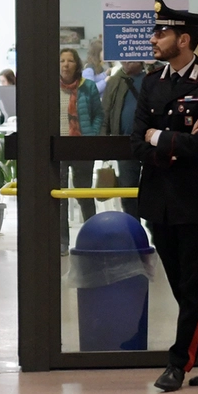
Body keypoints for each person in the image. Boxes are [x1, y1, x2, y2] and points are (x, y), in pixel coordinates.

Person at [131, 0, 198, 392]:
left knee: (192, 286)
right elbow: (135, 142)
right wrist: (173, 143)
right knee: (179, 285)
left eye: (162, 33)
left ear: (184, 39)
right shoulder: (151, 82)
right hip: (159, 198)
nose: (154, 38)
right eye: (155, 31)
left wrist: (158, 137)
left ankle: (180, 363)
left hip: (195, 200)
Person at [59, 48, 105, 255]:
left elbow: (98, 115)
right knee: (59, 196)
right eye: (62, 61)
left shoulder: (88, 87)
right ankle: (61, 242)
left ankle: (92, 239)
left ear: (77, 64)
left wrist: (92, 135)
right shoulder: (51, 88)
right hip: (59, 145)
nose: (66, 64)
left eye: (70, 61)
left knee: (84, 194)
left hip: (82, 145)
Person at [101, 60, 150, 219]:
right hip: (124, 143)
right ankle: (133, 229)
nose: (128, 61)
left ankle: (154, 231)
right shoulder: (115, 80)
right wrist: (103, 144)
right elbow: (105, 112)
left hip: (152, 143)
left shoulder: (153, 78)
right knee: (128, 190)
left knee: (153, 190)